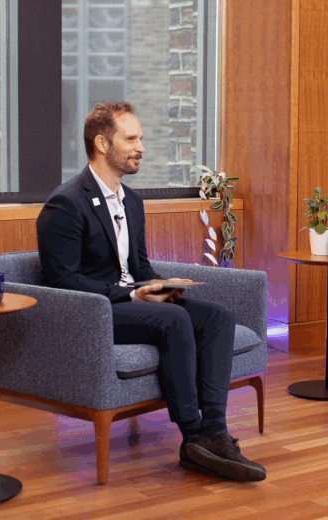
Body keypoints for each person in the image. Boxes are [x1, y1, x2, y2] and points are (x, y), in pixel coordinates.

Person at [36, 101, 266, 482]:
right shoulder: (66, 203)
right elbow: (62, 281)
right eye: (131, 138)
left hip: (136, 303)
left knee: (216, 317)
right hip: (96, 310)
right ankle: (192, 438)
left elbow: (139, 268)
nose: (141, 146)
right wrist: (129, 295)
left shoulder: (133, 201)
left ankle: (215, 431)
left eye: (140, 137)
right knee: (173, 320)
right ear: (102, 144)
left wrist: (160, 286)